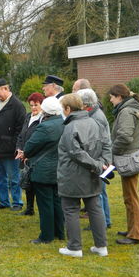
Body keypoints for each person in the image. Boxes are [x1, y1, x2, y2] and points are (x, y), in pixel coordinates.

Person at [57, 93, 110, 258]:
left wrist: (99, 164)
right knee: (95, 208)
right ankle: (101, 246)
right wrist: (102, 164)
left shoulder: (70, 127)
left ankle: (74, 247)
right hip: (92, 173)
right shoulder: (95, 122)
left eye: (62, 108)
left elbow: (76, 153)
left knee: (71, 209)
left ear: (68, 108)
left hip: (73, 175)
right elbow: (107, 143)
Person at [109, 84, 139, 245]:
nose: (110, 100)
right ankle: (132, 229)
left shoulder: (125, 112)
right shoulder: (130, 109)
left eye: (112, 97)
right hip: (131, 157)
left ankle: (135, 234)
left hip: (128, 159)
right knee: (130, 197)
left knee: (131, 198)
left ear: (119, 97)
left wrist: (113, 151)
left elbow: (125, 137)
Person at [23, 97, 65, 244]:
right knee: (57, 201)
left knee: (45, 204)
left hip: (43, 170)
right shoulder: (63, 122)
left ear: (45, 111)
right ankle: (60, 233)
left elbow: (29, 147)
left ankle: (46, 236)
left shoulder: (45, 127)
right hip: (59, 168)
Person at [0, 78, 26, 211]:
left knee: (14, 179)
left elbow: (21, 129)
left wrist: (15, 145)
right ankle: (3, 201)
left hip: (10, 151)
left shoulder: (17, 105)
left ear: (6, 89)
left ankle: (17, 202)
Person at [76, 88, 113, 230]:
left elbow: (103, 141)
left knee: (99, 193)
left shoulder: (96, 117)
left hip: (99, 161)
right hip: (100, 160)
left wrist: (103, 162)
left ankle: (102, 222)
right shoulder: (94, 113)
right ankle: (104, 221)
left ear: (85, 104)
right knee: (100, 192)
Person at [15, 92, 45, 216]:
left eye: (36, 105)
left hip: (35, 156)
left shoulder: (43, 119)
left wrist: (28, 152)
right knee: (27, 182)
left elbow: (39, 140)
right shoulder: (28, 117)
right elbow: (21, 135)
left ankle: (43, 209)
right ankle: (29, 208)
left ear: (42, 105)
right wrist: (19, 149)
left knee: (37, 183)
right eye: (31, 105)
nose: (33, 108)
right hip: (24, 155)